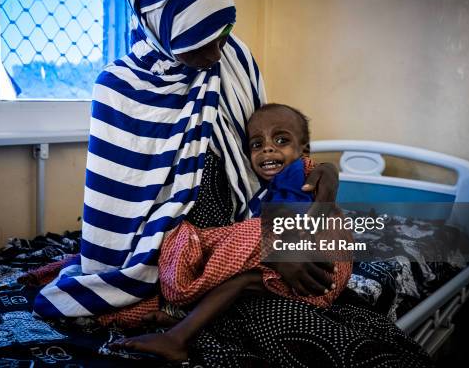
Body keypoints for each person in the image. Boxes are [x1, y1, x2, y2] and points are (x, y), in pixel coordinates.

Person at [34, 0, 432, 366]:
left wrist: (327, 177)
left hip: (245, 231)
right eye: (198, 41)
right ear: (157, 26)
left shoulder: (235, 60)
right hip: (170, 257)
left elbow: (268, 165)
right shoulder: (118, 90)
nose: (215, 53)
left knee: (356, 320)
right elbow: (113, 219)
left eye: (222, 34)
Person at [109, 103, 352, 361]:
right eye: (257, 145)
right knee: (243, 282)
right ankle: (181, 328)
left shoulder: (297, 173)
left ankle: (179, 317)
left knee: (214, 245)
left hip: (319, 265)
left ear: (304, 150)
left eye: (281, 139)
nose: (268, 148)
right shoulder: (264, 189)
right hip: (319, 282)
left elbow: (287, 220)